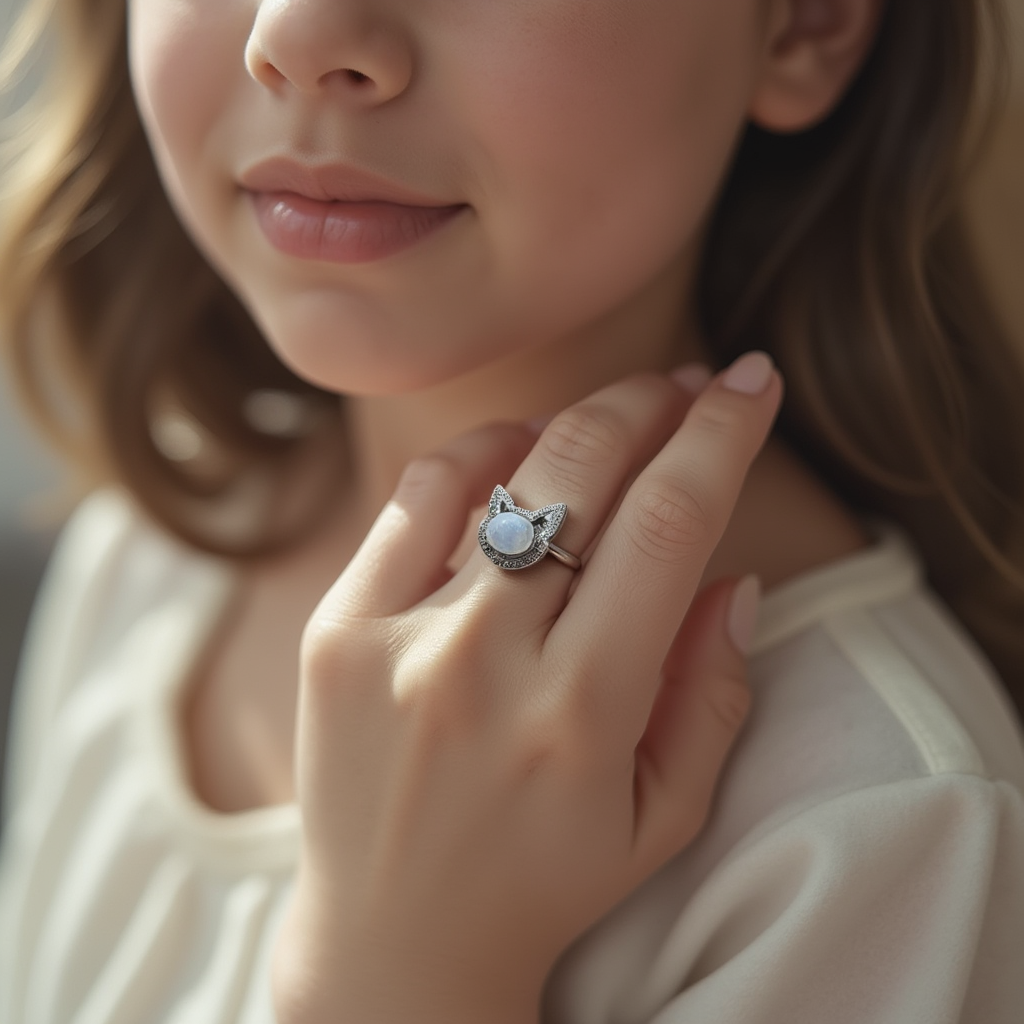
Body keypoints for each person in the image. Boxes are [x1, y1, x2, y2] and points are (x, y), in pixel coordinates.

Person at [1, 0, 1023, 1020]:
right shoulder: (151, 557)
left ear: (803, 24)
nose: (300, 36)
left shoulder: (876, 829)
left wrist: (398, 980)